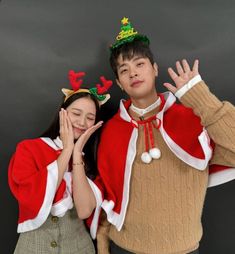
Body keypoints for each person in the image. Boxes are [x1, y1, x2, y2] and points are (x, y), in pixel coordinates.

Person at [86, 18, 235, 254]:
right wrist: (103, 246)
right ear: (120, 83)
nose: (133, 73)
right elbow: (108, 195)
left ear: (154, 69)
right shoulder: (112, 130)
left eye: (139, 64)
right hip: (125, 248)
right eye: (124, 70)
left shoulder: (192, 117)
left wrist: (201, 99)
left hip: (183, 250)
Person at [8, 70, 112, 254]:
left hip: (80, 248)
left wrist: (77, 153)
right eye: (76, 113)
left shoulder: (95, 160)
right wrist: (66, 151)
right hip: (33, 248)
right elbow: (30, 198)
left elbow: (84, 211)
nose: (82, 122)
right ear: (62, 113)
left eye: (90, 118)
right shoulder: (29, 149)